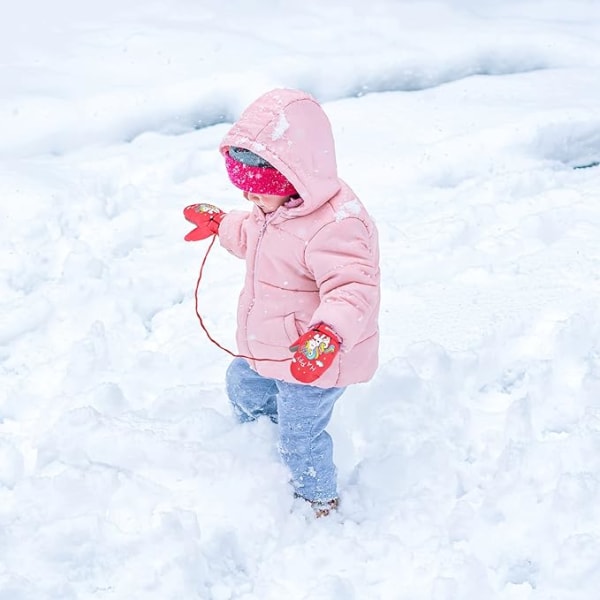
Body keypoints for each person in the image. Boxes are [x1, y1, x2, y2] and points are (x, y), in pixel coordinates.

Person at [184, 88, 380, 517]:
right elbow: (254, 235)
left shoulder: (337, 226)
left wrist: (327, 333)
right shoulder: (274, 208)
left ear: (294, 180)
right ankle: (258, 448)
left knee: (301, 437)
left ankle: (319, 499)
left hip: (314, 359)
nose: (248, 200)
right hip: (271, 347)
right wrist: (220, 225)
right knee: (242, 385)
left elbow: (353, 287)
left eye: (256, 192)